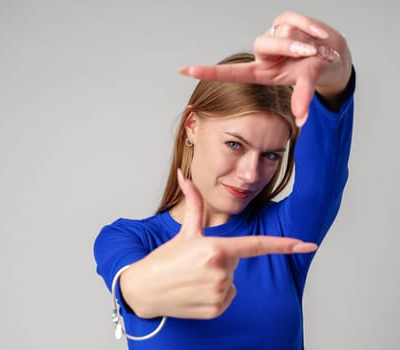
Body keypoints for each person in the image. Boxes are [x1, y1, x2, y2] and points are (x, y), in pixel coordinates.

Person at [94, 11, 354, 350]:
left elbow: (322, 180)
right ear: (192, 126)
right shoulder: (127, 237)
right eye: (235, 144)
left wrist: (334, 80)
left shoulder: (284, 233)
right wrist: (144, 290)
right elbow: (133, 287)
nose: (250, 174)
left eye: (271, 155)